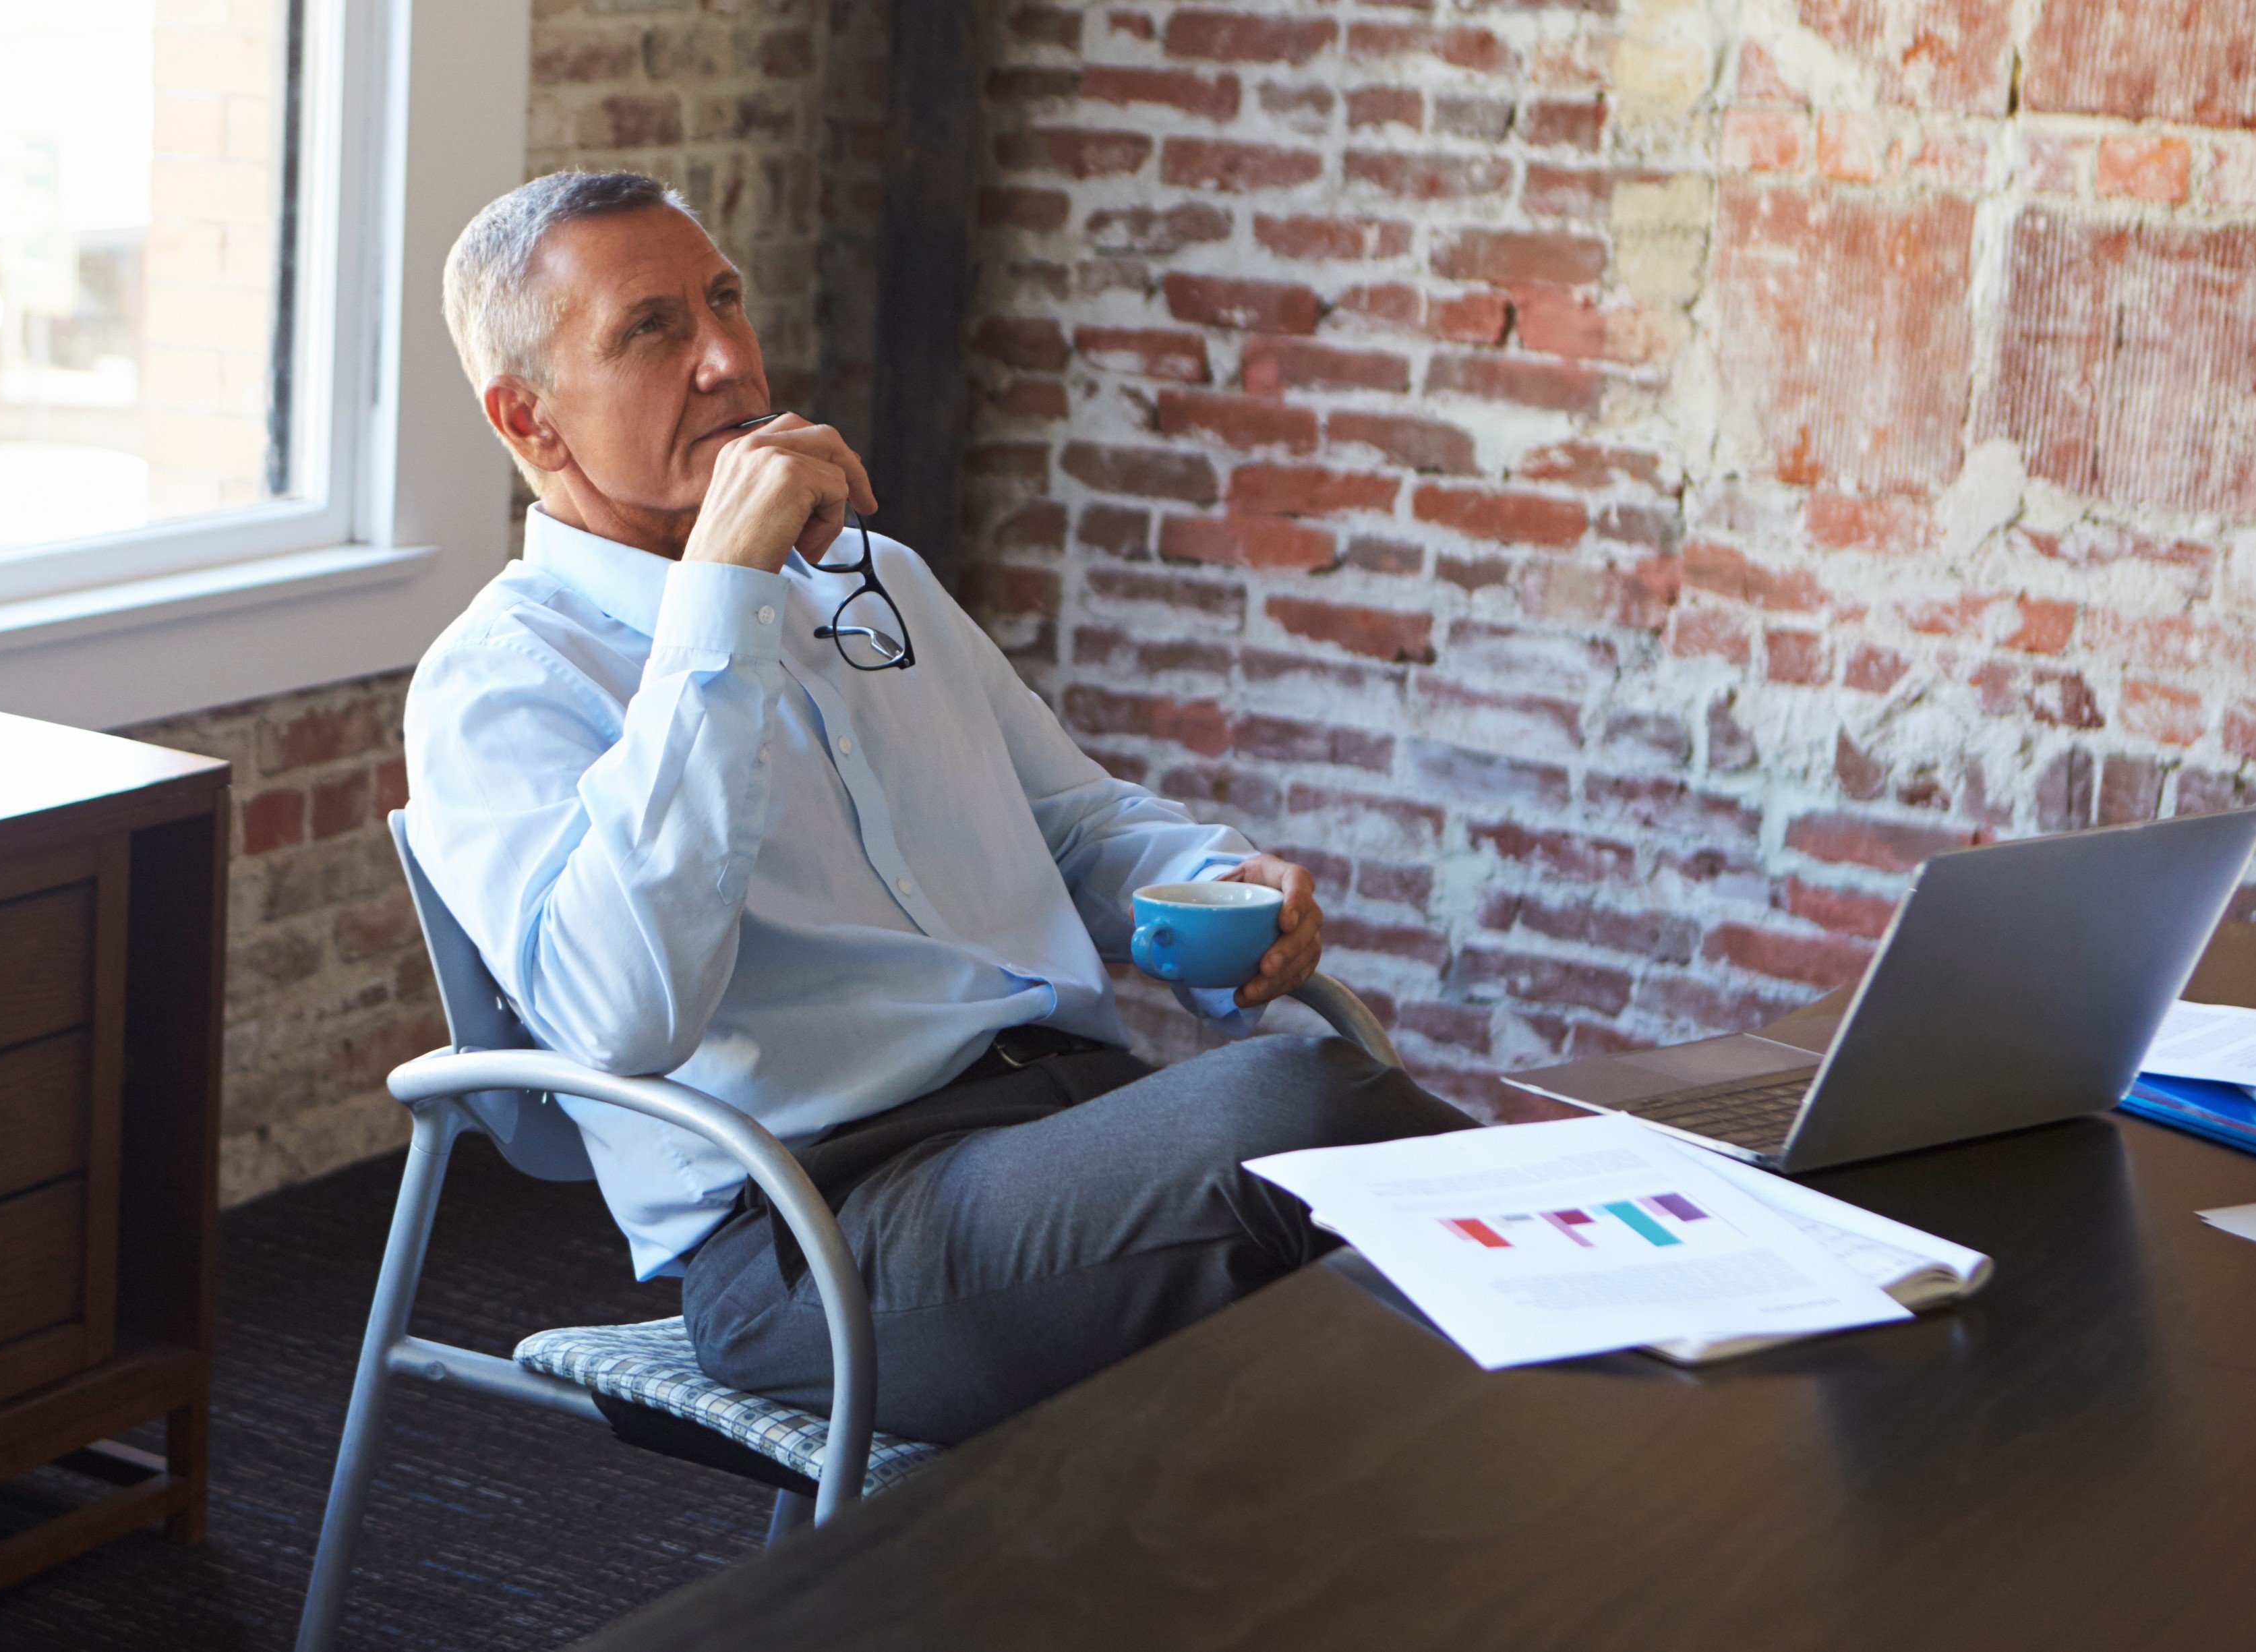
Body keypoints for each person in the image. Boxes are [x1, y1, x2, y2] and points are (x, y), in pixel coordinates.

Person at [403, 171, 1474, 1446]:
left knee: (1345, 1290)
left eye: (727, 302)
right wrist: (721, 603)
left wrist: (1217, 874)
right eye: (653, 330)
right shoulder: (499, 679)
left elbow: (1073, 826)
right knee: (1296, 1115)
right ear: (529, 419)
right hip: (821, 1231)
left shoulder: (876, 580)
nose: (731, 360)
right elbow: (616, 1016)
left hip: (1074, 1121)